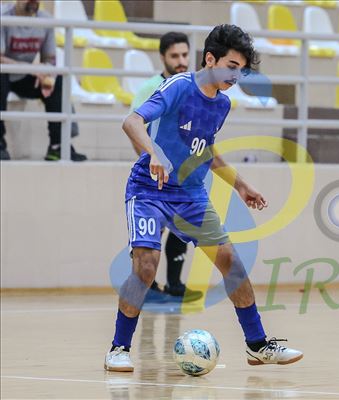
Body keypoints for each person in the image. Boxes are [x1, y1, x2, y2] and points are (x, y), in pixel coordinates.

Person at [104, 24, 303, 372]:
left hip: (191, 195)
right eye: (231, 66)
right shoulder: (179, 87)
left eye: (241, 70)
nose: (235, 76)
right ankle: (119, 348)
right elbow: (132, 122)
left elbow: (204, 149)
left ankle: (257, 345)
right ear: (210, 59)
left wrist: (240, 184)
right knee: (146, 266)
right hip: (150, 189)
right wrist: (153, 153)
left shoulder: (222, 104)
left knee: (231, 263)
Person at [130, 32, 202, 303]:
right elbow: (136, 128)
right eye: (175, 56)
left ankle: (174, 284)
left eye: (185, 55)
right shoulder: (150, 88)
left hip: (185, 174)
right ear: (162, 57)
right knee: (152, 233)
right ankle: (145, 288)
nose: (181, 61)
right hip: (155, 175)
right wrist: (150, 161)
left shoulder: (192, 87)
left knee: (181, 229)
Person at [0, 0, 87, 161]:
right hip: (4, 72)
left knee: (58, 81)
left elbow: (49, 59)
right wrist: (31, 69)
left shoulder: (45, 20)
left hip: (24, 77)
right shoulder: (3, 16)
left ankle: (57, 146)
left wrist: (47, 74)